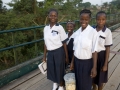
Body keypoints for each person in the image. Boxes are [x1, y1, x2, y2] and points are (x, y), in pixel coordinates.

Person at [70, 9, 99, 90]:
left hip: (87, 63)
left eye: (86, 19)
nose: (83, 21)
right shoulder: (77, 32)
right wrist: (72, 62)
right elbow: (74, 49)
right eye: (82, 19)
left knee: (86, 85)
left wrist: (94, 67)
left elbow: (95, 51)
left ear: (90, 19)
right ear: (79, 19)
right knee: (78, 83)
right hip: (77, 61)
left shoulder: (93, 33)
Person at [42, 9, 69, 90]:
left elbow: (64, 43)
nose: (53, 17)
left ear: (57, 17)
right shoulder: (46, 28)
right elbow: (45, 43)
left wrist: (66, 56)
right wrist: (44, 56)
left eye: (55, 15)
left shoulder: (59, 28)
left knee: (59, 69)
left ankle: (61, 85)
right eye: (51, 15)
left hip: (59, 52)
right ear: (48, 16)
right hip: (50, 52)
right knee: (52, 69)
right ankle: (55, 83)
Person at [92, 11, 113, 90]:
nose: (100, 21)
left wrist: (105, 64)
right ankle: (94, 87)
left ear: (105, 20)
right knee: (92, 76)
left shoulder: (107, 32)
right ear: (96, 20)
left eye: (103, 19)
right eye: (98, 19)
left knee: (100, 78)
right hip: (92, 55)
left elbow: (108, 48)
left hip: (101, 57)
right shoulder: (92, 29)